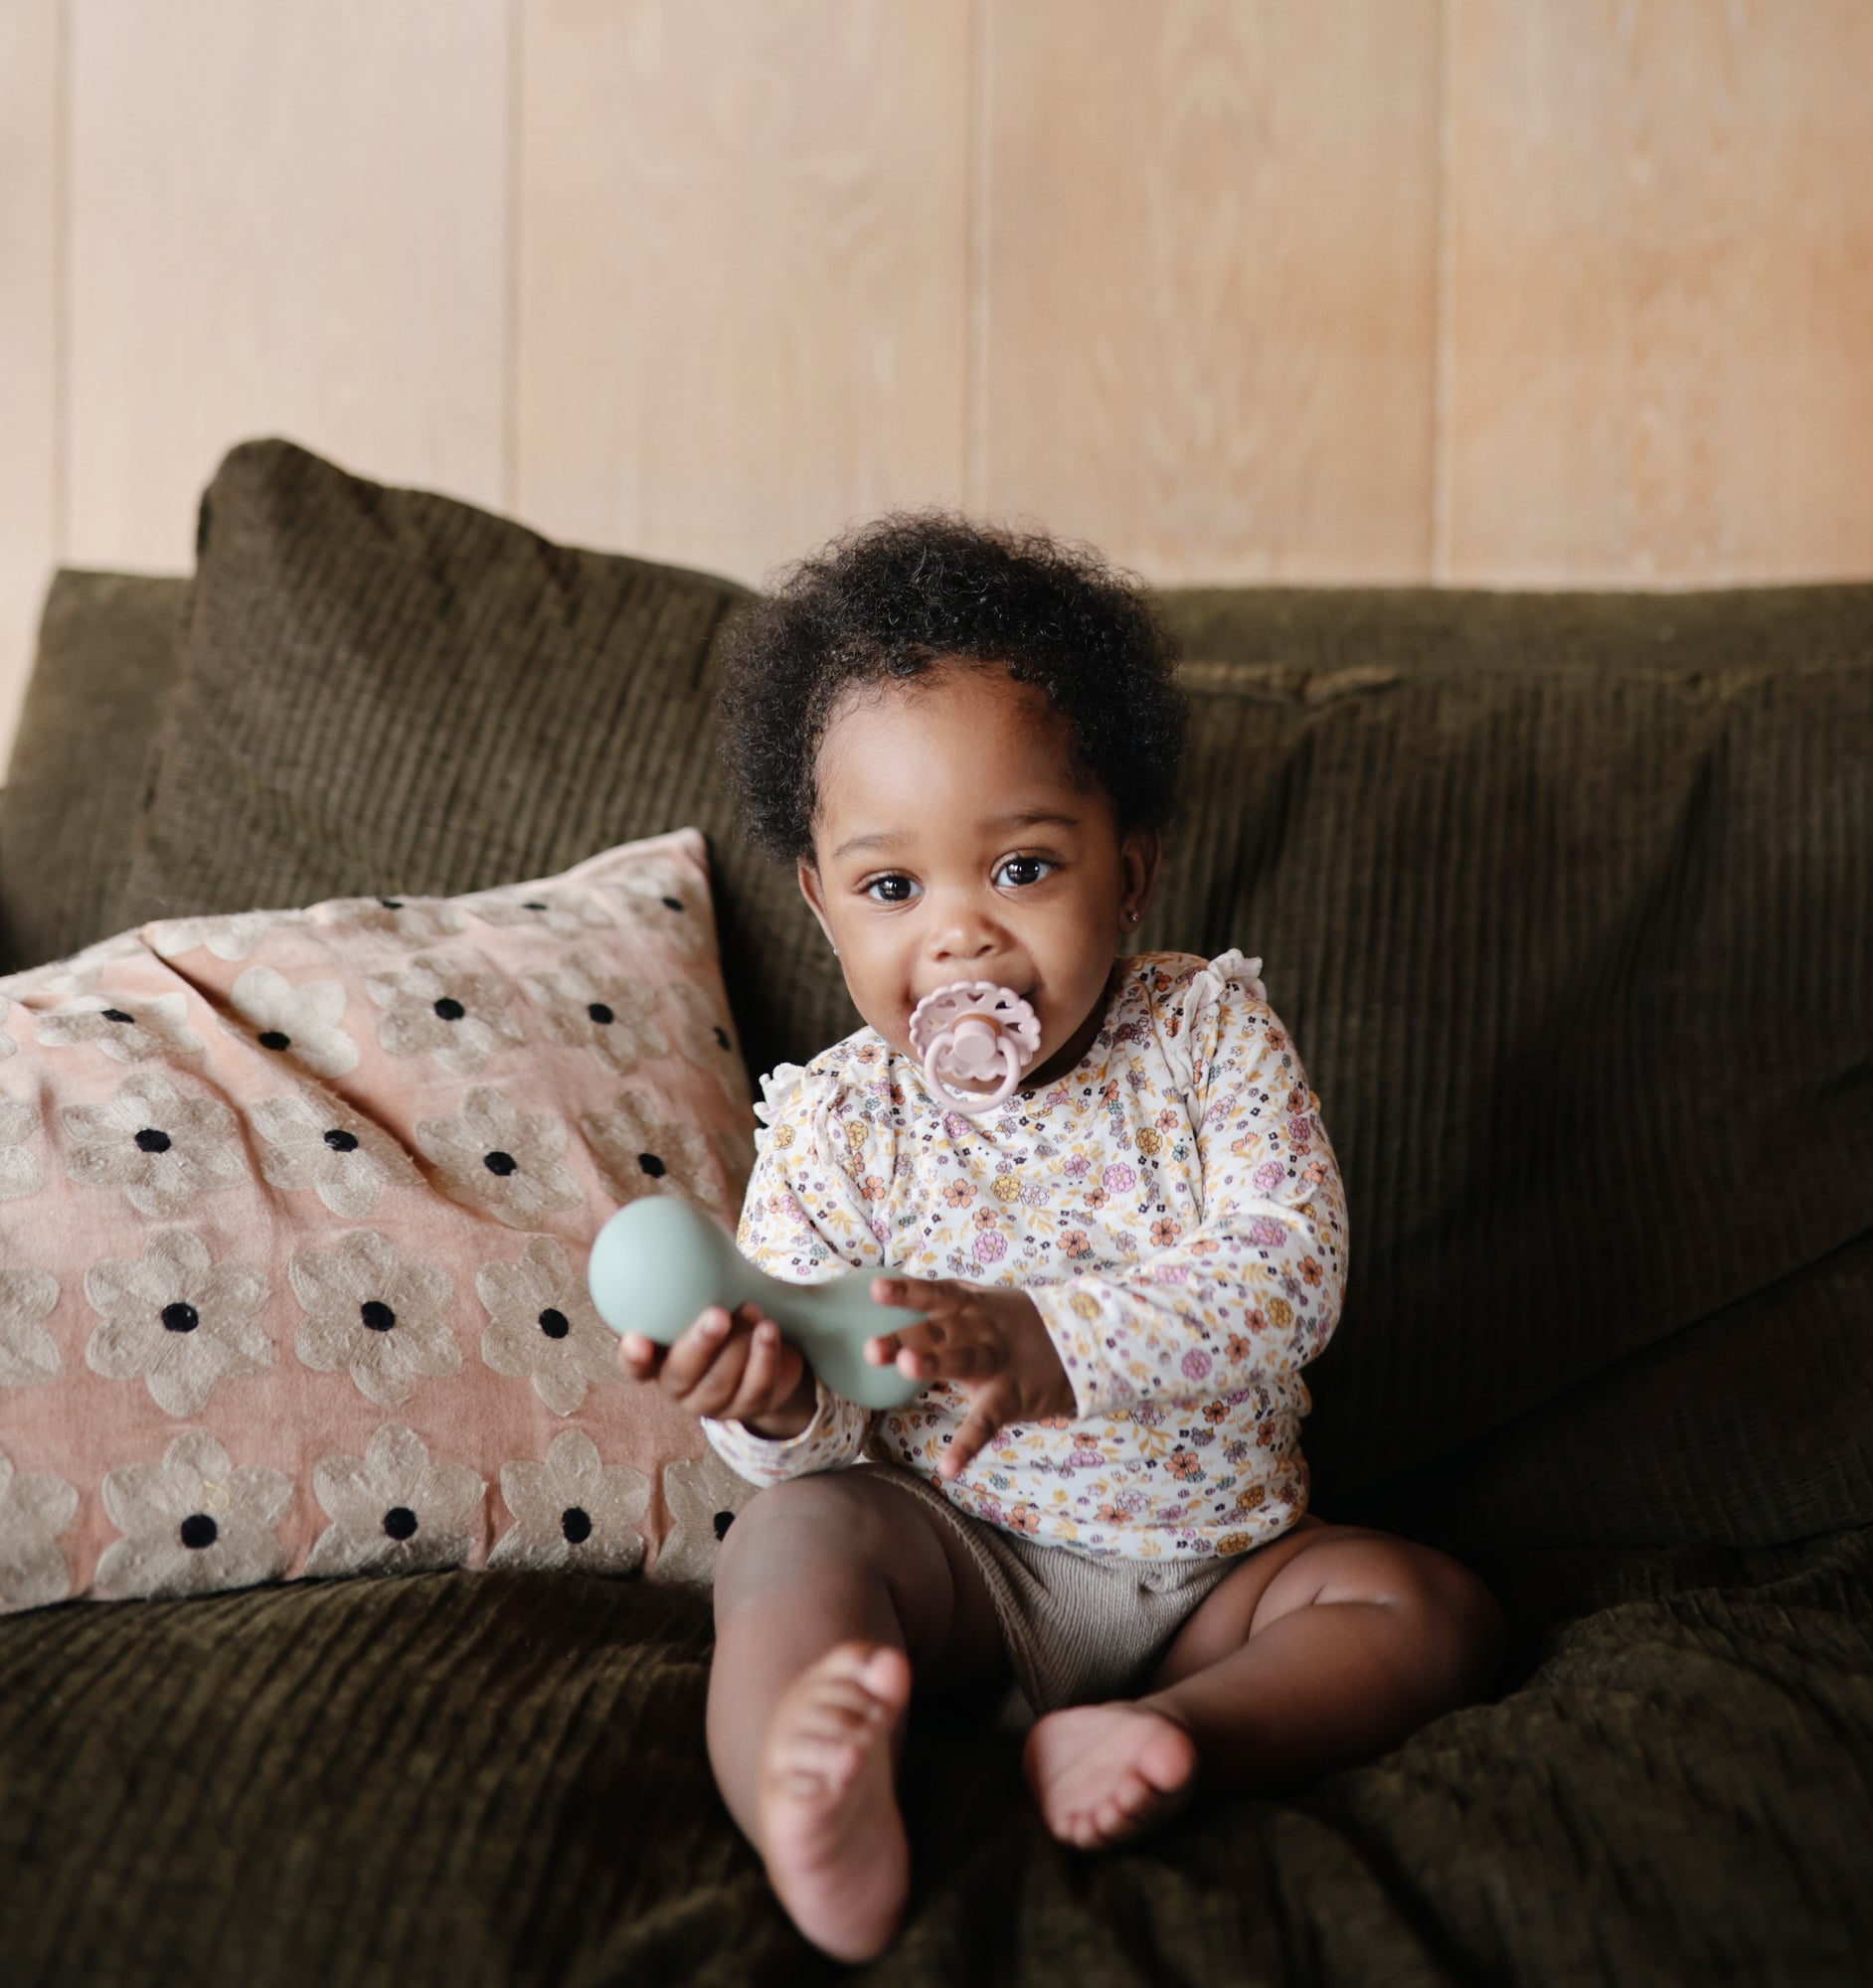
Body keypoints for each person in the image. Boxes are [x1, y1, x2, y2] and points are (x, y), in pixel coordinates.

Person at [619, 516, 1503, 1962]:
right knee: (788, 1538)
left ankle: (1161, 1735)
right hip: (967, 1560)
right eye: (894, 889)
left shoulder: (1208, 1036)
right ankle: (804, 1793)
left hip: (1224, 1569)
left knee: (1430, 1608)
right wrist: (779, 1404)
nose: (958, 939)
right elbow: (826, 1391)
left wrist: (1049, 1340)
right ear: (820, 903)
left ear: (1131, 866)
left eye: (1022, 869)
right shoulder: (839, 1121)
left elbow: (1292, 1274)